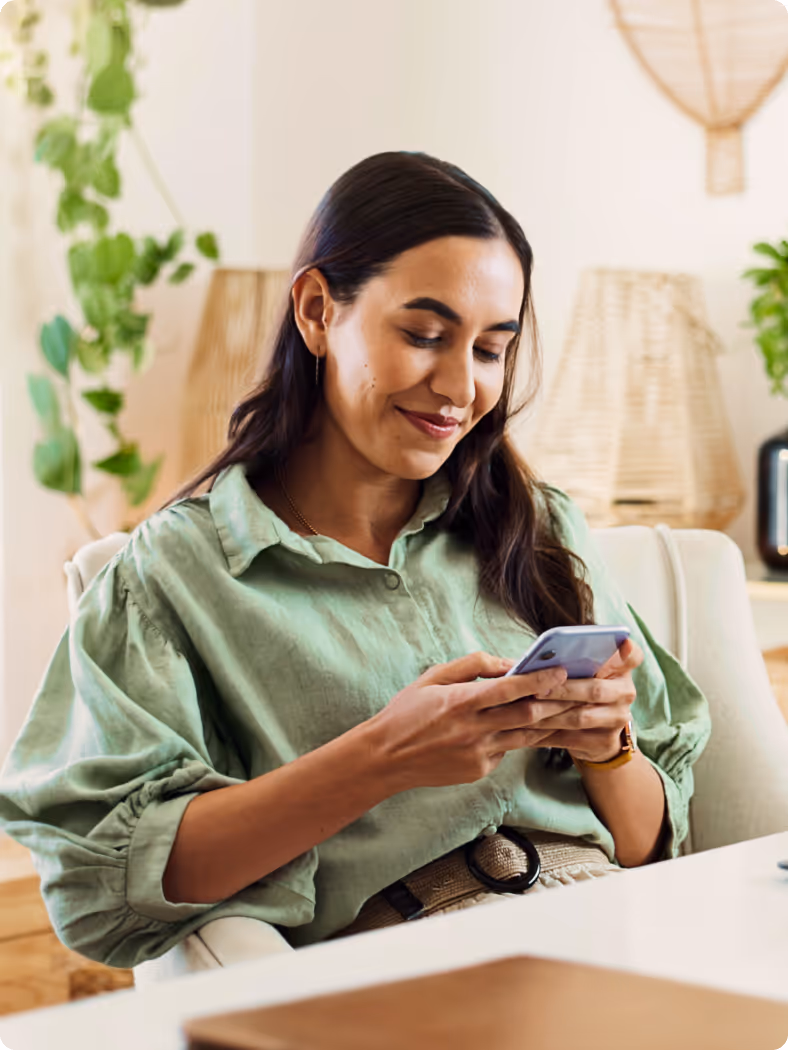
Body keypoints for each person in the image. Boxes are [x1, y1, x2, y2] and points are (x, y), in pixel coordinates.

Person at [0, 151, 711, 970]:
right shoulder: (180, 574)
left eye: (489, 349)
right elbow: (99, 890)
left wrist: (606, 747)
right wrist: (380, 760)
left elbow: (648, 843)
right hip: (412, 969)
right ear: (314, 311)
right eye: (423, 335)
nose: (459, 387)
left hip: (612, 935)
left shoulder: (537, 527)